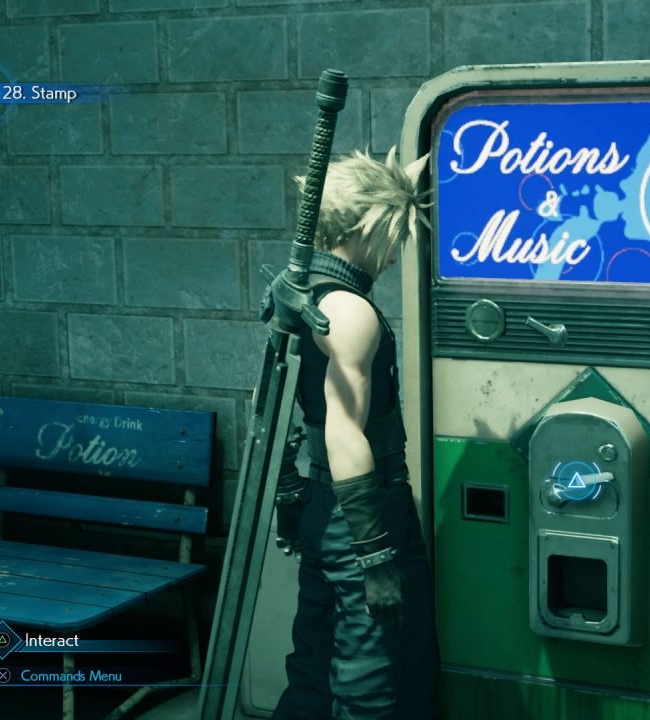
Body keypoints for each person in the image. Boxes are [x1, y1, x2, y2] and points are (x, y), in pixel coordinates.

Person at [269, 148, 439, 720]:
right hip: (360, 507)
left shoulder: (300, 295)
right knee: (374, 678)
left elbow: (278, 408)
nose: (394, 255)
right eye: (394, 235)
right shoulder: (349, 311)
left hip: (326, 501)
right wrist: (376, 557)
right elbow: (343, 431)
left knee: (316, 663)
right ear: (369, 224)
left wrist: (293, 496)